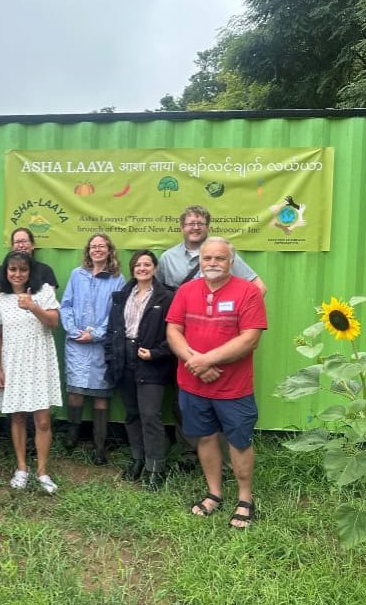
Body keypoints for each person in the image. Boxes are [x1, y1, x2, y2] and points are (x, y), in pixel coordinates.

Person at [165, 237, 267, 529]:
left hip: (233, 388)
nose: (212, 263)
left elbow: (250, 339)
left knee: (239, 441)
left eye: (219, 259)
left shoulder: (248, 293)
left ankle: (245, 498)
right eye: (207, 258)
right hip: (193, 384)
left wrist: (206, 361)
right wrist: (195, 363)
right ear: (200, 261)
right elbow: (174, 330)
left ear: (231, 262)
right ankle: (214, 493)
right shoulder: (186, 291)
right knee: (205, 437)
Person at [156, 205, 266, 467]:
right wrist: (194, 358)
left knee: (224, 403)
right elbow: (159, 297)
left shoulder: (225, 253)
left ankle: (228, 460)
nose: (195, 227)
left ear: (207, 227)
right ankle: (188, 452)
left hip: (221, 346)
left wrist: (233, 318)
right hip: (182, 340)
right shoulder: (168, 258)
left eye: (200, 223)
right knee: (184, 397)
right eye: (190, 223)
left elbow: (258, 288)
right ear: (182, 227)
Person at [105, 250, 175, 489]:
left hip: (151, 363)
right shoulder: (122, 295)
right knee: (132, 414)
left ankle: (156, 468)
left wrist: (156, 353)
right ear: (132, 269)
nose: (142, 268)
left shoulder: (166, 296)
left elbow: (175, 334)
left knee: (150, 416)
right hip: (124, 358)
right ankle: (138, 459)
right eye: (138, 264)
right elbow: (112, 329)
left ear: (155, 268)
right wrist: (111, 355)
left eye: (147, 264)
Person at [0, 251, 62, 494]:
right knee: (18, 417)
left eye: (23, 269)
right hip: (12, 362)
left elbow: (54, 322)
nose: (17, 274)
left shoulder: (43, 292)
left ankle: (42, 472)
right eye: (12, 269)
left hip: (39, 360)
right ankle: (21, 468)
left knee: (42, 420)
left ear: (30, 271)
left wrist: (33, 306)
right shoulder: (0, 298)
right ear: (6, 272)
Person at [60, 233, 125, 465]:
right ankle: (72, 434)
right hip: (76, 343)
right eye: (93, 246)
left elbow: (117, 313)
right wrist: (74, 331)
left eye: (102, 246)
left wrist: (96, 334)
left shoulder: (118, 279)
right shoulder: (77, 275)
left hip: (102, 345)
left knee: (101, 396)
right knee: (75, 391)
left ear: (109, 250)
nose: (97, 250)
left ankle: (100, 446)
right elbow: (65, 305)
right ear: (88, 251)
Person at [0, 227, 58, 298]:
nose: (21, 245)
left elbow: (51, 301)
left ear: (33, 245)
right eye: (17, 242)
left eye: (24, 241)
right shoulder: (0, 271)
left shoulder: (46, 270)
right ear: (12, 247)